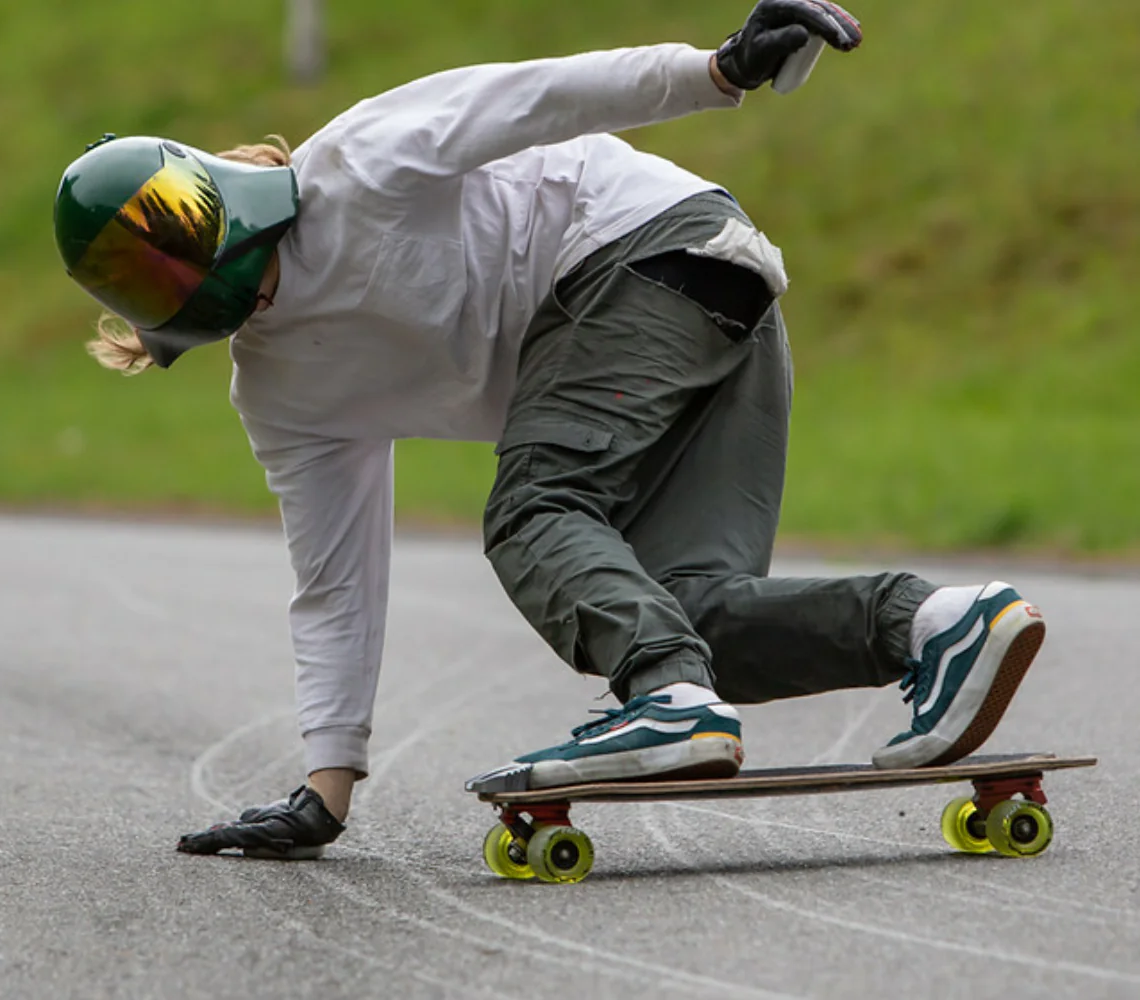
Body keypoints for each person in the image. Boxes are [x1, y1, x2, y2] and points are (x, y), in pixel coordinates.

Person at [51, 0, 1047, 861]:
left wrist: (716, 71)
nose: (180, 272)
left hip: (646, 249)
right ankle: (937, 623)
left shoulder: (355, 165)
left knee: (537, 513)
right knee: (686, 612)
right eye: (144, 276)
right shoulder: (279, 394)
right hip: (709, 297)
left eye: (174, 229)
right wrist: (326, 791)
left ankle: (664, 698)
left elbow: (538, 94)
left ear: (210, 191)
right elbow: (337, 579)